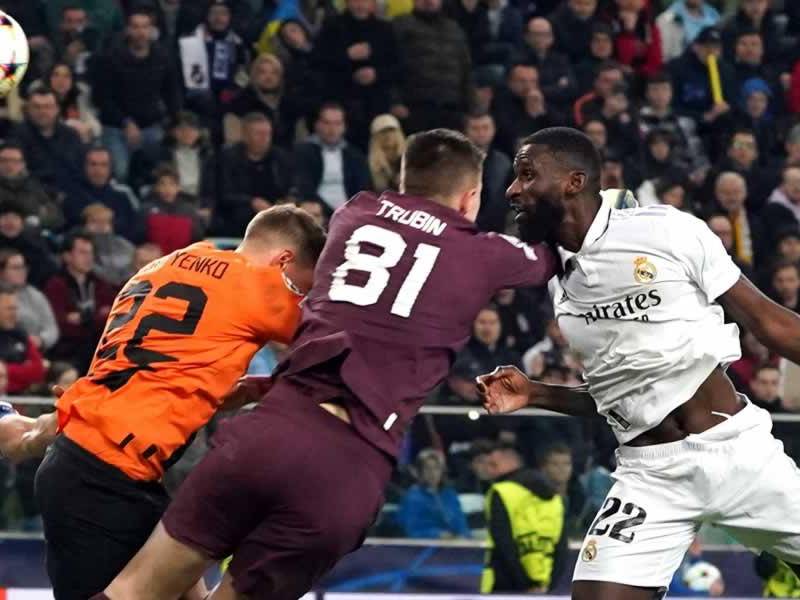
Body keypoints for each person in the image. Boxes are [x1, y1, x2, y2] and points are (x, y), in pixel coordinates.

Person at [90, 128, 557, 600]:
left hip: (269, 430)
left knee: (132, 591)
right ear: (470, 197)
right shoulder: (482, 253)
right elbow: (551, 258)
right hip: (346, 463)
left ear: (402, 179)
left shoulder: (354, 212)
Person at [477, 126, 800, 600]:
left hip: (739, 455)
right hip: (649, 474)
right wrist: (537, 393)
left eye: (527, 174)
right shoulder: (557, 281)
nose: (512, 189)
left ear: (574, 181)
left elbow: (771, 324)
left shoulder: (666, 229)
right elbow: (620, 395)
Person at [0, 206, 325, 600]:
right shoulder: (260, 285)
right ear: (284, 260)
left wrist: (223, 391)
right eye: (299, 287)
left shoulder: (162, 265)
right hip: (105, 478)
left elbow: (155, 369)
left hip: (100, 457)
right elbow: (333, 338)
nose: (298, 297)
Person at [92, 8, 181, 180]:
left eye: (144, 27)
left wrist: (176, 122)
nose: (140, 32)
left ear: (151, 30)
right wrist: (126, 123)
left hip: (151, 126)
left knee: (161, 172)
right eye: (135, 27)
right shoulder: (110, 59)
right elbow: (102, 98)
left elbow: (172, 94)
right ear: (127, 29)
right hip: (116, 127)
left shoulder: (163, 57)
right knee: (120, 172)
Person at [480, 442, 566, 593]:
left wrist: (527, 585)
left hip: (504, 587)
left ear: (512, 461)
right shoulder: (555, 498)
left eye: (493, 464)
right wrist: (547, 587)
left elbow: (504, 545)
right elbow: (561, 550)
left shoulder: (500, 492)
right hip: (544, 586)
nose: (489, 469)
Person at [44, 231, 118, 374]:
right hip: (67, 353)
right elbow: (60, 324)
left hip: (97, 350)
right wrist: (96, 318)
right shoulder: (55, 285)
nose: (89, 258)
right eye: (82, 253)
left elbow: (111, 318)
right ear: (67, 256)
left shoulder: (100, 284)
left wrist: (83, 319)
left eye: (90, 253)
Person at [292, 104, 372, 212]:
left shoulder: (354, 155)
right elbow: (305, 189)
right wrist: (331, 213)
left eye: (337, 124)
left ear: (344, 127)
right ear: (317, 125)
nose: (332, 129)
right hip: (316, 212)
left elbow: (363, 190)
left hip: (350, 214)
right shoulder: (303, 152)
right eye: (327, 123)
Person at [396, 448, 470, 538]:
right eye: (427, 468)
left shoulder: (450, 494)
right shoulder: (412, 497)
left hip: (454, 546)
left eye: (436, 468)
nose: (432, 473)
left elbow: (461, 523)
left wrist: (464, 537)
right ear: (420, 472)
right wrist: (438, 534)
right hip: (424, 548)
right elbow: (411, 530)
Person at [0, 250, 59, 352]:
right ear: (1, 272)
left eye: (23, 267)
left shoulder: (35, 294)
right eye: (16, 268)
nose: (22, 271)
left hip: (39, 350)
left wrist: (41, 340)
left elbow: (51, 327)